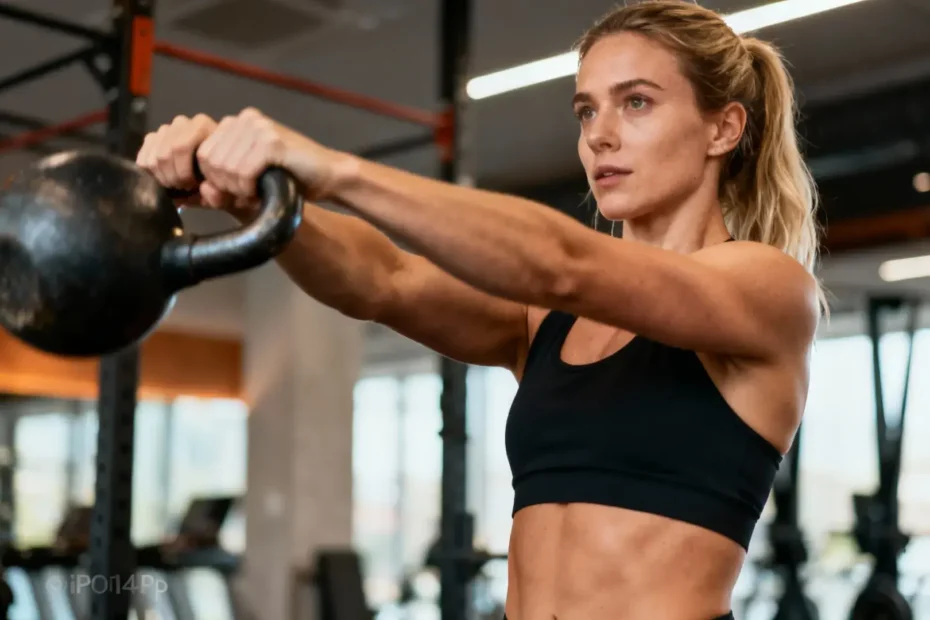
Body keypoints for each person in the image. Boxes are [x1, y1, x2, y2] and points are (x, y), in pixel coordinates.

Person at [137, 1, 823, 618]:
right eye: (586, 110)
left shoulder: (767, 290)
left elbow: (566, 264)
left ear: (722, 128)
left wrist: (336, 170)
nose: (599, 136)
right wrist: (258, 201)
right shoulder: (547, 323)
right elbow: (385, 280)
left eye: (636, 103)